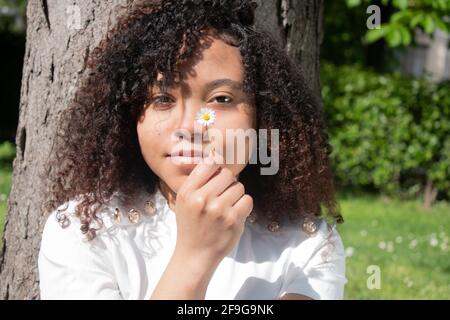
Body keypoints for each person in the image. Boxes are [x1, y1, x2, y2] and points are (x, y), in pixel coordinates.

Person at [38, 0, 347, 300]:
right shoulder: (83, 232)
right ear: (130, 117)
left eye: (222, 99)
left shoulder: (309, 247)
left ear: (261, 117)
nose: (191, 126)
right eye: (162, 99)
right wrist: (195, 256)